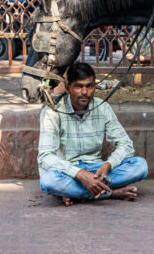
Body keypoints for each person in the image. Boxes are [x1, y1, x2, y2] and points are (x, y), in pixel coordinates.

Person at [38, 62, 148, 206]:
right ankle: (111, 193)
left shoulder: (102, 108)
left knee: (140, 166)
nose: (84, 92)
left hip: (97, 171)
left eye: (89, 86)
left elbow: (126, 145)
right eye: (78, 86)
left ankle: (77, 194)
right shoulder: (52, 113)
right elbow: (45, 156)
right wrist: (80, 174)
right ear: (67, 88)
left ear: (94, 87)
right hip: (68, 173)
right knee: (48, 181)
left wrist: (108, 165)